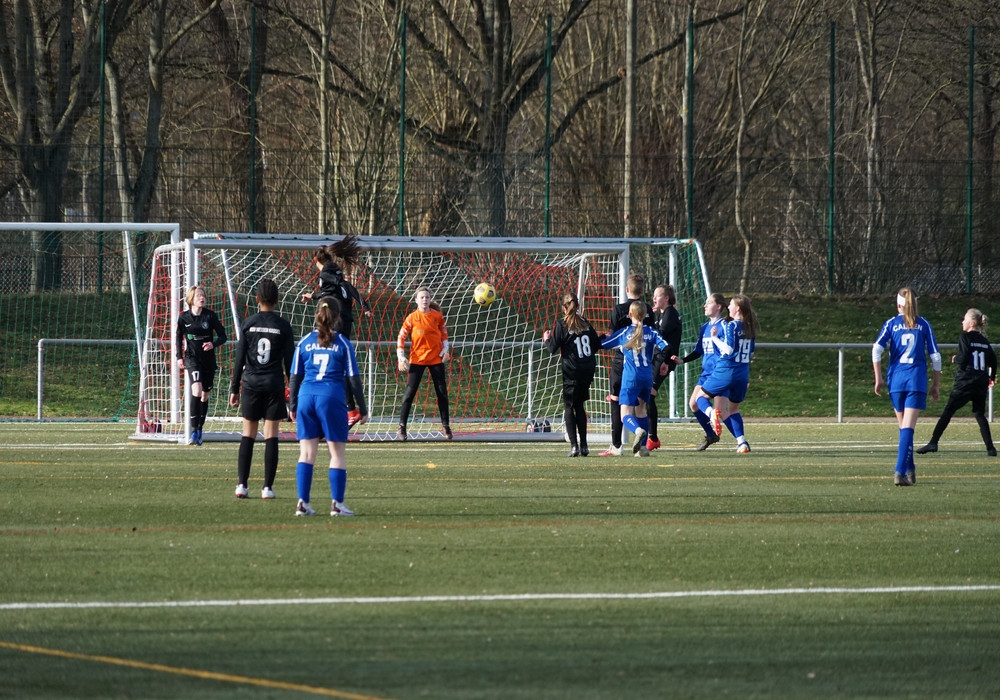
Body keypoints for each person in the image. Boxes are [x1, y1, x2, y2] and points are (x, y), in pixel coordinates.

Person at [288, 297, 368, 516]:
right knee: (336, 453)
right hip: (331, 398)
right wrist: (362, 408)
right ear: (337, 316)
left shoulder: (305, 341)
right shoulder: (342, 343)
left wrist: (292, 405)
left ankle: (302, 503)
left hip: (306, 397)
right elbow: (353, 379)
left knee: (306, 453)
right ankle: (337, 505)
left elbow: (295, 376)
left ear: (317, 315)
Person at [228, 278, 296, 499]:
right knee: (271, 435)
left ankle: (242, 485)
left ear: (257, 299)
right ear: (277, 300)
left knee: (248, 434)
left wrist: (234, 389)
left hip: (251, 384)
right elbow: (290, 363)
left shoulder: (248, 323)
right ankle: (267, 488)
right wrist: (294, 394)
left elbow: (239, 359)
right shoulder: (283, 326)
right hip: (273, 385)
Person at [873, 288, 942, 486]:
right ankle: (899, 471)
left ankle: (910, 470)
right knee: (908, 429)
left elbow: (876, 349)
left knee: (904, 428)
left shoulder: (891, 324)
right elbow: (936, 357)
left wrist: (878, 378)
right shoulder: (924, 324)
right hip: (915, 380)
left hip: (896, 380)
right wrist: (935, 384)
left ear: (898, 305)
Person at [301, 234, 372, 426]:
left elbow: (343, 286)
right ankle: (348, 409)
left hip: (337, 319)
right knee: (339, 363)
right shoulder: (334, 270)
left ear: (316, 260)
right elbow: (333, 291)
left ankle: (349, 409)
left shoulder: (326, 273)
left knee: (335, 364)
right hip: (345, 318)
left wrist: (364, 304)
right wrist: (313, 296)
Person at [916, 308, 996, 457]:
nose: (962, 322)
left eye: (965, 319)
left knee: (949, 410)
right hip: (980, 383)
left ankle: (933, 442)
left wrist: (956, 358)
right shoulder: (985, 342)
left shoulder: (965, 338)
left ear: (972, 323)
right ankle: (991, 448)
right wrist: (991, 377)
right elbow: (993, 361)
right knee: (979, 414)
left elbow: (963, 358)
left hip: (965, 382)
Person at [600, 301, 671, 457]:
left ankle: (637, 430)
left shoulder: (625, 332)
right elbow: (666, 346)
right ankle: (643, 448)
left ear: (630, 314)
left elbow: (603, 344)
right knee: (641, 411)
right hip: (647, 377)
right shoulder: (652, 332)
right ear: (645, 315)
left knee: (625, 414)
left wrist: (600, 337)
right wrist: (664, 361)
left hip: (630, 378)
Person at [599, 274, 656, 456]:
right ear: (642, 291)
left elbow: (613, 336)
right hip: (644, 364)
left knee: (617, 402)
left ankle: (617, 446)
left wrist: (598, 340)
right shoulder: (648, 310)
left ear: (626, 289)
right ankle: (643, 448)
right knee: (640, 407)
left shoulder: (618, 309)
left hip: (621, 362)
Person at [696, 294, 757, 454]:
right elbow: (750, 352)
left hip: (726, 370)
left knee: (700, 398)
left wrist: (714, 338)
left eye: (731, 305)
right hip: (742, 373)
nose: (728, 307)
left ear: (738, 309)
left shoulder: (732, 325)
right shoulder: (750, 327)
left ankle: (711, 414)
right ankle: (742, 443)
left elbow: (728, 350)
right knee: (733, 409)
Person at [543, 292, 602, 457]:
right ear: (578, 306)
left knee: (569, 407)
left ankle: (574, 446)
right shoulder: (586, 323)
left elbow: (552, 348)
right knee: (579, 406)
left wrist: (546, 339)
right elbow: (596, 345)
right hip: (588, 369)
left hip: (572, 371)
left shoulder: (562, 324)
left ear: (563, 308)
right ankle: (584, 446)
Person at [672, 293, 727, 451]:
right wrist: (683, 360)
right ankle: (711, 434)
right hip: (706, 372)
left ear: (718, 306)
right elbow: (698, 351)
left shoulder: (724, 326)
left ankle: (740, 440)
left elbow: (729, 348)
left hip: (719, 372)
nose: (705, 305)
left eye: (709, 303)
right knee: (693, 404)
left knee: (724, 411)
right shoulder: (704, 327)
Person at [397, 286, 452, 441]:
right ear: (416, 300)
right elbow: (401, 337)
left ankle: (446, 426)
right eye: (421, 297)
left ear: (430, 299)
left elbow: (444, 334)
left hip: (436, 359)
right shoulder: (412, 318)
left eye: (427, 297)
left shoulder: (437, 316)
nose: (425, 300)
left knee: (442, 392)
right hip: (417, 359)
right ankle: (402, 427)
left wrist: (446, 349)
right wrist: (401, 357)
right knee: (409, 393)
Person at [175, 284, 227, 446]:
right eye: (198, 295)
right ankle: (192, 431)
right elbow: (178, 338)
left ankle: (199, 428)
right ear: (191, 299)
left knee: (204, 395)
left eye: (203, 295)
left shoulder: (210, 316)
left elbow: (223, 336)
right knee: (196, 390)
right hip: (192, 359)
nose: (202, 298)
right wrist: (179, 357)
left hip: (208, 361)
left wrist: (213, 344)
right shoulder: (184, 318)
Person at [647, 284, 682, 451]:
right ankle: (650, 436)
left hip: (663, 360)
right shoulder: (663, 314)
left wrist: (666, 362)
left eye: (657, 296)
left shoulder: (670, 315)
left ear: (666, 298)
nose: (654, 298)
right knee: (646, 395)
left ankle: (652, 437)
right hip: (659, 359)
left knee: (649, 394)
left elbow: (660, 338)